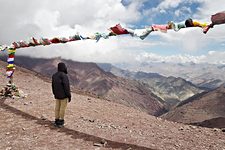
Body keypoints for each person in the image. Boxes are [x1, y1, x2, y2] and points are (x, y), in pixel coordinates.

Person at [52, 62, 71, 127]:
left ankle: (56, 120)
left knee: (57, 108)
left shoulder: (54, 75)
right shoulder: (64, 75)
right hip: (64, 95)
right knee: (62, 108)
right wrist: (69, 95)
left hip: (57, 95)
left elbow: (53, 86)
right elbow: (66, 86)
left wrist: (54, 93)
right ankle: (61, 121)